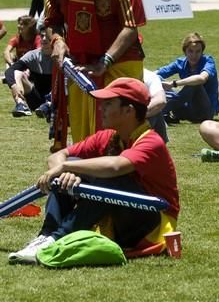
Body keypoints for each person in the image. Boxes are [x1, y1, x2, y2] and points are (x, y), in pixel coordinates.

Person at [8, 78, 180, 264]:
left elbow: (115, 166)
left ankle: (56, 238)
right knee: (71, 167)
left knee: (112, 181)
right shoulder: (108, 137)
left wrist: (68, 167)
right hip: (119, 217)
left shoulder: (151, 141)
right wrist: (65, 170)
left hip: (152, 223)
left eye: (108, 104)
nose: (101, 108)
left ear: (128, 110)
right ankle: (46, 236)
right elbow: (58, 156)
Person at [45, 0, 146, 143]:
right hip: (80, 66)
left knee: (119, 129)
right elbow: (52, 20)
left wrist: (106, 61)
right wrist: (57, 40)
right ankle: (87, 171)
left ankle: (123, 172)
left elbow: (131, 27)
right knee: (83, 133)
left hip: (120, 63)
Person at [156, 32, 219, 124]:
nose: (194, 55)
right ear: (185, 51)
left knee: (195, 84)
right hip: (185, 110)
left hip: (205, 112)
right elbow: (157, 74)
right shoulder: (180, 62)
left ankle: (159, 111)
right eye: (190, 51)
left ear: (202, 52)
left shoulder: (208, 61)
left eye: (198, 51)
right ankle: (159, 109)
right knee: (157, 79)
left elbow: (201, 78)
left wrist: (173, 84)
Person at [4, 30, 53, 117]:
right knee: (18, 73)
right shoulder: (32, 55)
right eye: (42, 36)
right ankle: (21, 105)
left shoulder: (62, 56)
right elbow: (10, 71)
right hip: (35, 99)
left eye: (48, 36)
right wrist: (13, 86)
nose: (44, 39)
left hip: (56, 99)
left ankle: (49, 104)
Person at [143, 68, 168, 143]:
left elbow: (161, 101)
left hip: (136, 116)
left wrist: (136, 115)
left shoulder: (148, 76)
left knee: (156, 109)